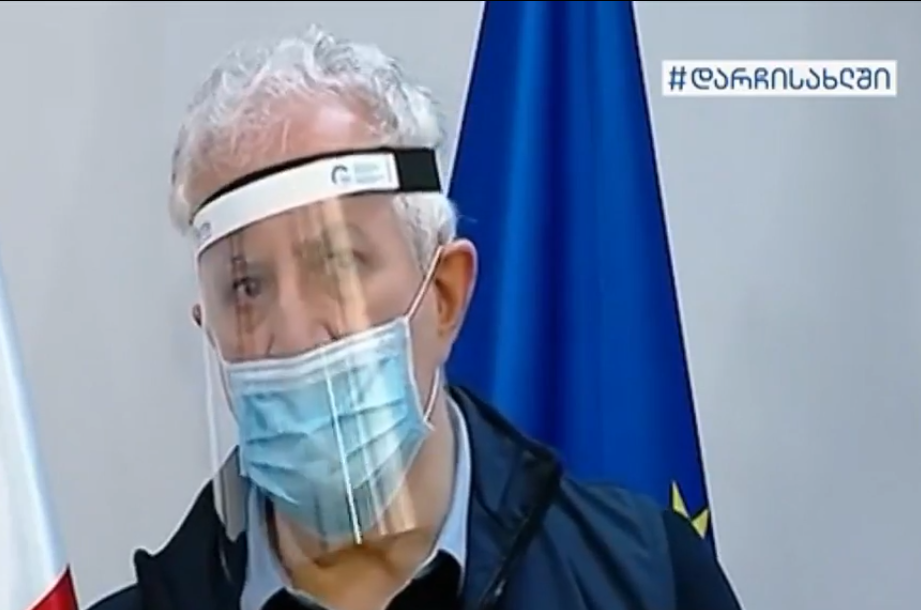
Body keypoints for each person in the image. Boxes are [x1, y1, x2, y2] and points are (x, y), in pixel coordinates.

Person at [90, 25, 743, 610]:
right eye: (246, 286)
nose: (292, 332)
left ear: (445, 294)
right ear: (211, 332)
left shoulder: (646, 584)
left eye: (338, 264)